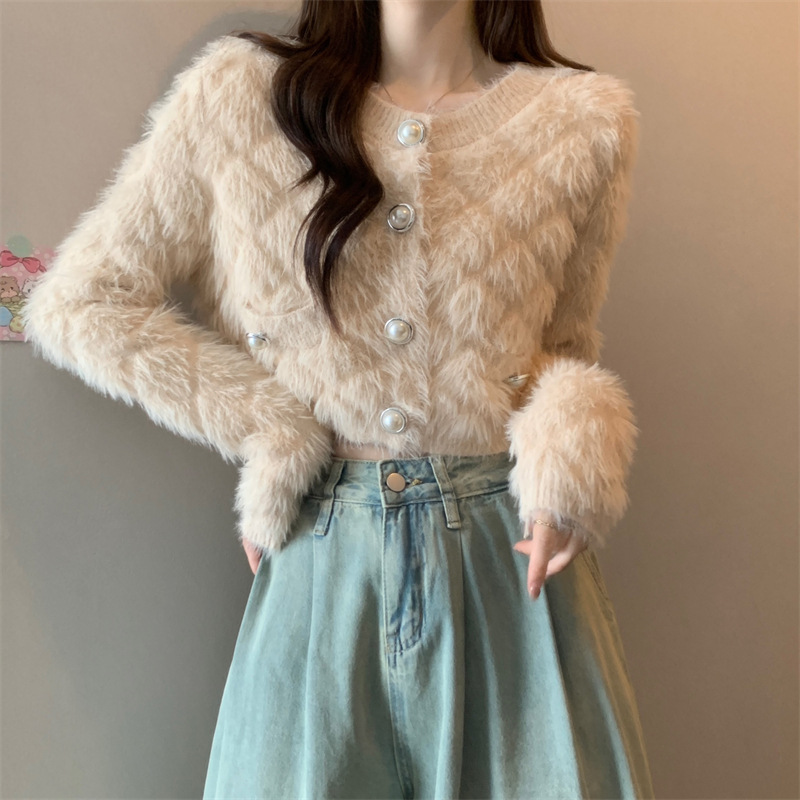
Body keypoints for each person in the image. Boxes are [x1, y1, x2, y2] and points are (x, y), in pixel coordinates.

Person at [22, 0, 655, 797]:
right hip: (324, 560)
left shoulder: (582, 122)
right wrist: (269, 429)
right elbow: (82, 303)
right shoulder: (240, 97)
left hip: (510, 569)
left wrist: (571, 446)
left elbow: (563, 352)